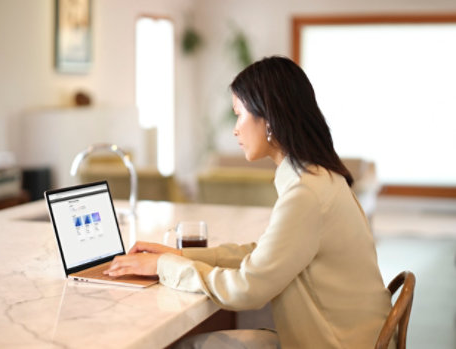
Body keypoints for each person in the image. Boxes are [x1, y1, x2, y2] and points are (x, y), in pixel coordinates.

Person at [104, 56, 393, 349]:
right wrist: (181, 256)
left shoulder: (306, 194)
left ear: (268, 120)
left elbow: (248, 289)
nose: (235, 129)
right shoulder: (319, 176)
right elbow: (263, 255)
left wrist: (164, 267)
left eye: (239, 114)